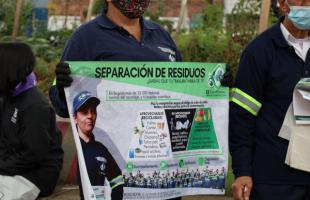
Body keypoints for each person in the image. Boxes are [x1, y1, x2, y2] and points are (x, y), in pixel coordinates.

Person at [229, 0, 310, 199]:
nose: (307, 4)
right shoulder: (259, 51)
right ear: (283, 4)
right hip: (273, 180)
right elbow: (242, 117)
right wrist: (242, 171)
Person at [0, 43, 63, 199]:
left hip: (34, 175)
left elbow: (33, 155)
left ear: (8, 68)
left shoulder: (35, 106)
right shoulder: (7, 97)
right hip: (10, 168)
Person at [72, 90, 123, 199]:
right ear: (75, 118)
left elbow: (117, 179)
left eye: (93, 111)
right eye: (85, 112)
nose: (90, 116)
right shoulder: (70, 147)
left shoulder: (101, 149)